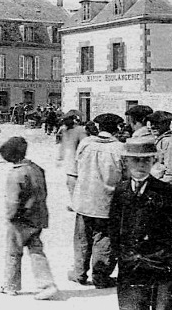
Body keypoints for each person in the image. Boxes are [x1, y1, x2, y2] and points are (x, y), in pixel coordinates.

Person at [109, 135, 172, 310]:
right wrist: (121, 254)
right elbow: (114, 226)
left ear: (154, 161)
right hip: (132, 264)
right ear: (126, 162)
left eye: (146, 161)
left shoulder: (165, 192)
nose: (140, 165)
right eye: (135, 160)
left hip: (162, 264)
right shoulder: (121, 191)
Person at [0, 136, 60, 300]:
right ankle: (47, 285)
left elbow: (13, 201)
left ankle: (11, 285)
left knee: (13, 252)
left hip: (20, 219)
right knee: (36, 250)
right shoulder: (36, 168)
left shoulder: (16, 174)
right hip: (37, 216)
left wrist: (10, 217)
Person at [69, 113, 126, 289]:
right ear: (117, 128)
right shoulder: (120, 148)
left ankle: (79, 273)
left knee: (82, 238)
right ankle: (101, 276)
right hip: (107, 202)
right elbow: (126, 176)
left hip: (84, 200)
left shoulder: (85, 144)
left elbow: (74, 171)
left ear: (99, 128)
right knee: (104, 238)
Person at [147, 111, 172, 202]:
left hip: (166, 194)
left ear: (167, 124)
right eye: (152, 123)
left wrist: (159, 191)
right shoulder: (161, 140)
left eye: (157, 123)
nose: (153, 126)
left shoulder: (170, 142)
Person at [56, 110, 87, 205]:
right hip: (69, 161)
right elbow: (63, 145)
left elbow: (84, 144)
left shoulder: (80, 130)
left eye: (67, 120)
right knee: (70, 183)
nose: (65, 122)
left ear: (72, 120)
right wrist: (60, 157)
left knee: (77, 183)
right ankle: (74, 203)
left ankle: (78, 204)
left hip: (78, 161)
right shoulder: (64, 130)